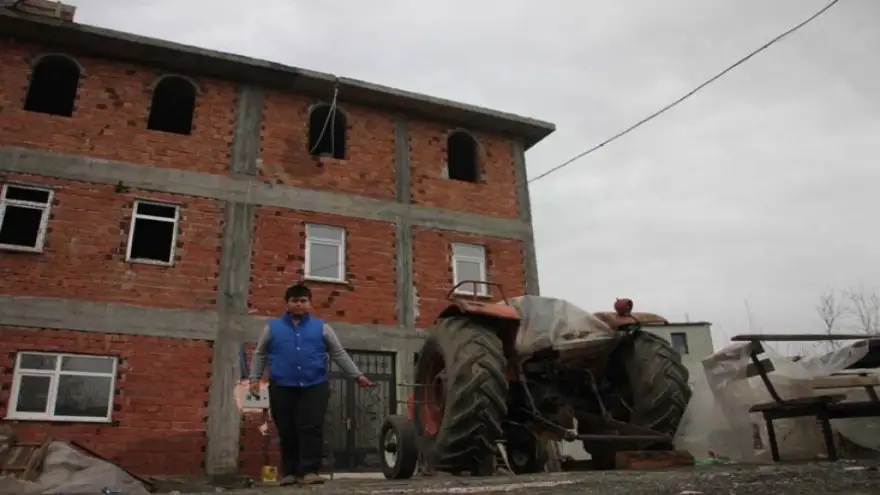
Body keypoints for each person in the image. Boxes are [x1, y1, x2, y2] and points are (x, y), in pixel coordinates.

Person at [248, 283, 374, 486]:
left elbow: (338, 353)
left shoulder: (322, 327)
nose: (299, 305)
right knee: (287, 429)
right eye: (294, 301)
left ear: (310, 304)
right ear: (287, 304)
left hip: (314, 385)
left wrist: (356, 375)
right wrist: (254, 378)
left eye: (303, 301)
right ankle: (289, 473)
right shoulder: (272, 328)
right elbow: (260, 353)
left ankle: (309, 471)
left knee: (311, 427)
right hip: (282, 385)